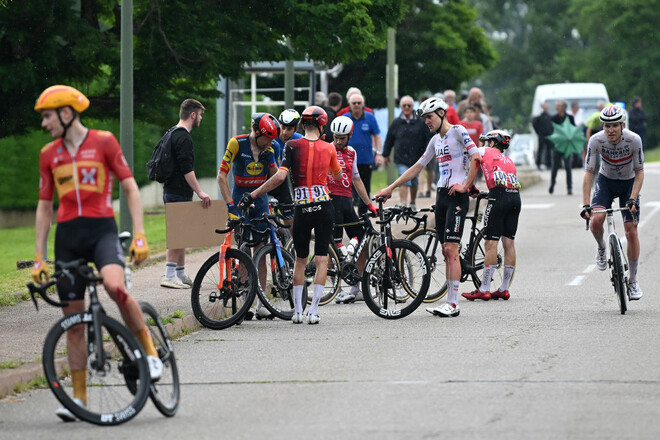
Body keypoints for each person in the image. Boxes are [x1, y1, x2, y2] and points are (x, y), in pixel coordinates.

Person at [32, 85, 162, 421]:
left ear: (66, 112)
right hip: (68, 238)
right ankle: (78, 399)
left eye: (47, 116)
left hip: (102, 231)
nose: (44, 123)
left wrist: (140, 235)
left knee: (115, 287)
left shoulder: (103, 141)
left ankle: (149, 352)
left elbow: (130, 187)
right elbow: (45, 207)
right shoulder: (48, 154)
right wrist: (38, 257)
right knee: (73, 324)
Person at [375, 97, 480, 318]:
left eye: (429, 117)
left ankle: (453, 304)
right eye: (424, 119)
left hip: (456, 196)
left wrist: (466, 185)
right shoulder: (435, 141)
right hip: (441, 196)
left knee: (451, 250)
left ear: (442, 113)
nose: (426, 122)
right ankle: (450, 301)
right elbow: (417, 167)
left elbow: (477, 157)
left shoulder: (458, 131)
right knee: (445, 250)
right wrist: (390, 188)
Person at [238, 106, 342, 325]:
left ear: (302, 125)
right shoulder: (329, 147)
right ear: (322, 125)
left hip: (302, 207)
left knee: (301, 260)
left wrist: (254, 194)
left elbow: (279, 178)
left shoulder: (292, 146)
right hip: (324, 205)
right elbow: (337, 174)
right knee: (322, 259)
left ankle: (297, 312)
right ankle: (314, 311)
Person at [217, 112, 281, 319]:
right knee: (244, 250)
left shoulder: (273, 147)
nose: (270, 141)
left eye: (273, 138)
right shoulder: (237, 143)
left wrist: (271, 159)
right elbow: (221, 177)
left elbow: (276, 179)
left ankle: (262, 301)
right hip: (239, 198)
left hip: (260, 200)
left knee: (261, 251)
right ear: (257, 131)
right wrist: (230, 207)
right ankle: (246, 300)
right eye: (268, 137)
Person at [580, 104, 644, 300]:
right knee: (596, 221)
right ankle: (601, 247)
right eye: (606, 126)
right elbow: (589, 173)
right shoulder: (596, 140)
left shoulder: (634, 140)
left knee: (631, 231)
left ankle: (632, 281)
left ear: (622, 124)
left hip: (628, 184)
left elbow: (640, 172)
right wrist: (585, 204)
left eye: (614, 125)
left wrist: (633, 198)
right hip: (606, 182)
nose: (610, 130)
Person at [461, 130, 521, 301]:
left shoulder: (483, 151)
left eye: (485, 141)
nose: (482, 145)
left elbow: (474, 158)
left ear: (492, 143)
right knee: (509, 243)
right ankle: (504, 288)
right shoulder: (509, 160)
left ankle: (485, 288)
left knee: (490, 242)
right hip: (515, 197)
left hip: (498, 197)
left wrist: (468, 185)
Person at [160, 98, 212, 289]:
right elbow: (186, 169)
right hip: (178, 191)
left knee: (182, 234)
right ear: (193, 114)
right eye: (200, 115)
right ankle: (169, 274)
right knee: (177, 234)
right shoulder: (184, 137)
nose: (200, 119)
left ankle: (180, 273)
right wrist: (199, 191)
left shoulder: (172, 133)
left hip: (172, 189)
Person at [326, 116, 378, 303]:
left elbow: (356, 179)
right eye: (336, 137)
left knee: (361, 240)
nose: (339, 141)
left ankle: (358, 286)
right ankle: (335, 288)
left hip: (347, 202)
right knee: (333, 245)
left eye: (342, 138)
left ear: (350, 135)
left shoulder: (352, 153)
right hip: (330, 202)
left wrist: (369, 203)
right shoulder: (326, 149)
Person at [382, 95, 431, 210]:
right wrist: (386, 154)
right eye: (404, 105)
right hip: (401, 157)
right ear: (401, 107)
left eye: (409, 105)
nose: (407, 107)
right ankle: (403, 203)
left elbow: (428, 137)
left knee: (414, 182)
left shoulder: (420, 122)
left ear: (413, 107)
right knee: (404, 179)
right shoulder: (396, 123)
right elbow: (389, 139)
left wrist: (427, 153)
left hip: (416, 157)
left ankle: (412, 202)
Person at [345, 93, 382, 215]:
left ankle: (362, 215)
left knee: (365, 188)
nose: (356, 105)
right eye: (354, 103)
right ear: (349, 105)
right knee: (346, 189)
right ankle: (349, 214)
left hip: (366, 159)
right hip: (347, 160)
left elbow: (377, 136)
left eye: (359, 103)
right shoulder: (345, 118)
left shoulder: (370, 118)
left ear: (363, 105)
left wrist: (378, 154)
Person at [269, 109, 301, 226]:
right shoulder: (270, 136)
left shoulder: (300, 140)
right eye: (282, 127)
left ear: (296, 129)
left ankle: (290, 243)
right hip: (265, 180)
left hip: (282, 183)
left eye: (289, 129)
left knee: (290, 221)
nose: (284, 132)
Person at [548, 100, 576, 195]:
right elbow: (551, 131)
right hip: (557, 146)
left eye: (558, 105)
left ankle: (569, 187)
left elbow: (573, 130)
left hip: (567, 146)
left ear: (563, 107)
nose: (557, 107)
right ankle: (552, 184)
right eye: (556, 105)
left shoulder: (570, 118)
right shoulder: (553, 118)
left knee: (568, 167)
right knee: (555, 167)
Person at [532, 101, 554, 170]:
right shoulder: (539, 117)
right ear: (542, 107)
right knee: (540, 150)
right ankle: (538, 164)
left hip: (549, 136)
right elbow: (534, 125)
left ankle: (548, 165)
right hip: (541, 136)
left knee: (548, 151)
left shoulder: (550, 117)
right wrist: (538, 132)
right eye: (545, 107)